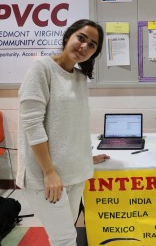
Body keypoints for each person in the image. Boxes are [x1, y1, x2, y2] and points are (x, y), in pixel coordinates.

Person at [17, 19, 109, 246]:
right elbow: (32, 125)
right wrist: (49, 171)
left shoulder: (79, 78)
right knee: (65, 239)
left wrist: (85, 156)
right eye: (81, 38)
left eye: (92, 45)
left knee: (65, 234)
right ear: (68, 36)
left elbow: (73, 125)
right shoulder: (41, 68)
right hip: (47, 176)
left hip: (74, 172)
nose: (84, 47)